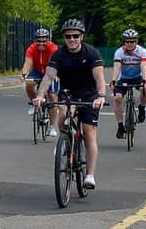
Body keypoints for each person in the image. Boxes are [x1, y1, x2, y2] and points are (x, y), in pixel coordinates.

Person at [32, 19, 106, 189]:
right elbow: (49, 76)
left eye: (75, 36)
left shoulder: (91, 53)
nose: (71, 39)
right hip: (68, 93)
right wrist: (40, 95)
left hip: (89, 95)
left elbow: (99, 77)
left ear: (81, 37)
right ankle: (66, 141)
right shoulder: (58, 54)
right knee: (63, 115)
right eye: (68, 36)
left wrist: (101, 96)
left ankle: (90, 175)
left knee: (89, 132)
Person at [110, 28, 146, 139]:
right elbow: (117, 67)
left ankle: (142, 108)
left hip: (137, 77)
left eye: (132, 41)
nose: (129, 44)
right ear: (124, 42)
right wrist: (113, 80)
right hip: (124, 78)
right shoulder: (119, 52)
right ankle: (120, 126)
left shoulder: (142, 51)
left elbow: (144, 67)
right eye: (127, 41)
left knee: (145, 90)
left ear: (136, 41)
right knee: (117, 98)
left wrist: (145, 80)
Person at [21, 28, 60, 137]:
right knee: (28, 82)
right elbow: (27, 63)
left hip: (51, 71)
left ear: (48, 39)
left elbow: (55, 63)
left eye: (44, 40)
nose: (41, 43)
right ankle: (34, 103)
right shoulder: (31, 48)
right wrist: (24, 74)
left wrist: (56, 75)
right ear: (35, 40)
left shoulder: (53, 48)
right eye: (39, 40)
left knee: (52, 97)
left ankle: (51, 127)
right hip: (37, 71)